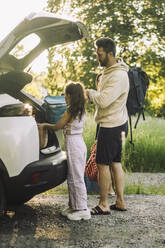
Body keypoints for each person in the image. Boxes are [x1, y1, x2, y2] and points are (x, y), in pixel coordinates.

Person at [86, 37, 129, 215]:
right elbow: (105, 97)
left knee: (102, 164)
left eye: (100, 53)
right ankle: (120, 202)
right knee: (115, 163)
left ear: (110, 53)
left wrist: (88, 92)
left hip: (111, 126)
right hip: (117, 123)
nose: (97, 56)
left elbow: (103, 100)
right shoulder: (109, 72)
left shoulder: (118, 75)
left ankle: (103, 204)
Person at [41, 82, 91, 221]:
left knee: (76, 178)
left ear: (70, 95)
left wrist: (45, 125)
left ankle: (82, 209)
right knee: (72, 176)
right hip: (76, 144)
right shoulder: (80, 109)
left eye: (66, 94)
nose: (64, 97)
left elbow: (58, 126)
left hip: (75, 145)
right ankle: (74, 206)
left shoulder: (70, 110)